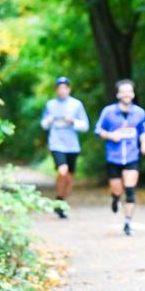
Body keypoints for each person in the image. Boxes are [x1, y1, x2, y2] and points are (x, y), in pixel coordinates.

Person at [95, 79, 145, 236]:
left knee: (130, 189)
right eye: (123, 91)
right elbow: (98, 130)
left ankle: (127, 222)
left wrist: (144, 143)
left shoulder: (139, 113)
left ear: (133, 94)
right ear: (118, 94)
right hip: (114, 157)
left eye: (129, 91)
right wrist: (111, 135)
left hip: (132, 156)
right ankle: (115, 198)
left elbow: (144, 130)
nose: (127, 94)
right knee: (117, 189)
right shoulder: (108, 112)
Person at [40, 76, 89, 219]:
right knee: (62, 171)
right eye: (59, 88)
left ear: (69, 89)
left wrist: (73, 121)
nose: (62, 90)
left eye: (64, 88)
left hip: (72, 145)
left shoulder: (76, 104)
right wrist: (48, 120)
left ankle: (61, 201)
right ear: (56, 90)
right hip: (56, 143)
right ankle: (59, 200)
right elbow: (43, 125)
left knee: (69, 177)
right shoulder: (50, 105)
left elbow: (85, 126)